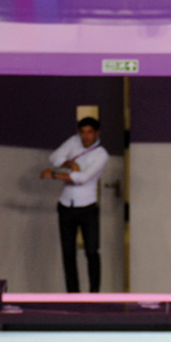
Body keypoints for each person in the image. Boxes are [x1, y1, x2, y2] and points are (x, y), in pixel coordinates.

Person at [42, 116, 109, 292]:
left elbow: (83, 178)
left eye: (90, 132)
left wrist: (54, 175)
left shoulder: (101, 155)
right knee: (68, 254)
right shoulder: (73, 142)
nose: (86, 136)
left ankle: (94, 294)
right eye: (83, 132)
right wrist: (68, 163)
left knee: (92, 251)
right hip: (66, 206)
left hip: (88, 207)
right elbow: (54, 157)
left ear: (97, 133)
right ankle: (72, 295)